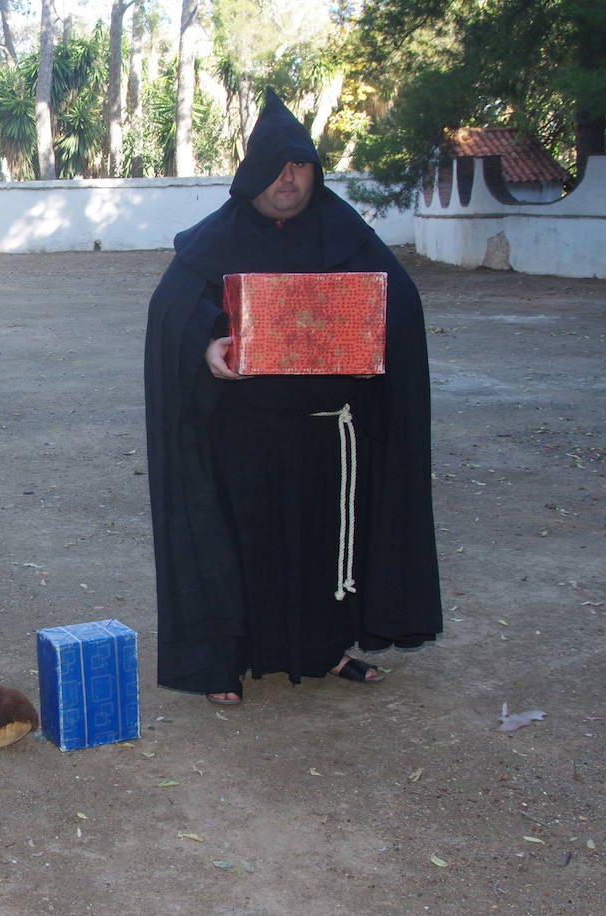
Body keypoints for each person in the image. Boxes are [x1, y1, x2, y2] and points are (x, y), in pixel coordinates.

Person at [143, 89, 442, 705]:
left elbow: (401, 306)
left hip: (328, 431)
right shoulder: (213, 239)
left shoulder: (346, 231)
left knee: (325, 543)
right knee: (240, 542)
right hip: (242, 431)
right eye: (278, 167)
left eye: (301, 166)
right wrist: (206, 346)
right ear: (252, 172)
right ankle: (228, 661)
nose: (289, 179)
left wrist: (372, 343)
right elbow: (172, 315)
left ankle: (326, 649)